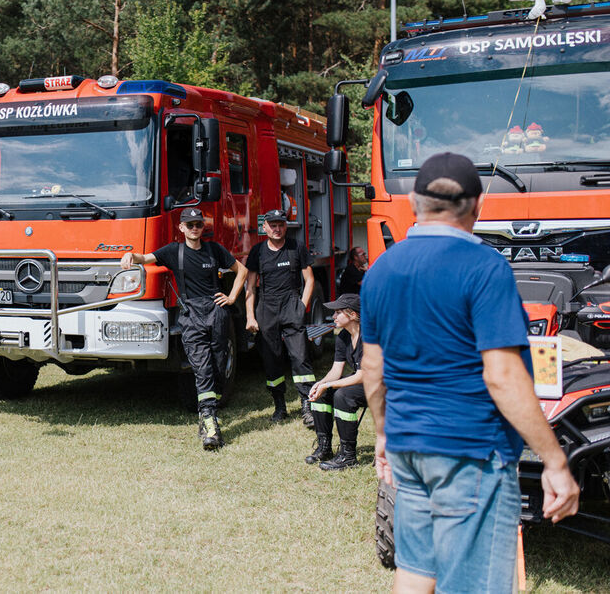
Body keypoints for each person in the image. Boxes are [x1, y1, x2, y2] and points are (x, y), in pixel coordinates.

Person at [360, 152, 579, 593]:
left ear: (414, 202)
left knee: (416, 569)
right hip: (471, 452)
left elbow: (372, 367)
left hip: (408, 448)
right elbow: (501, 375)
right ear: (478, 206)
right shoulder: (487, 268)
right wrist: (555, 460)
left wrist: (384, 434)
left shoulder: (380, 269)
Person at [120, 207, 247, 450]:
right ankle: (210, 421)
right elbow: (145, 258)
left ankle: (209, 413)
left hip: (217, 312)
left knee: (219, 366)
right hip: (191, 316)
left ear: (203, 227)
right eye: (190, 225)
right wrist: (130, 256)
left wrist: (231, 298)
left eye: (198, 224)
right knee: (202, 367)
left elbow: (241, 271)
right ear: (181, 228)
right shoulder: (173, 251)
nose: (194, 228)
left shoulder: (214, 250)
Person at [244, 209, 315, 425]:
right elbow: (250, 287)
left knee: (300, 357)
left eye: (280, 225)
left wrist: (301, 306)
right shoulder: (257, 252)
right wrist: (250, 316)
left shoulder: (296, 247)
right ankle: (279, 405)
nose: (277, 229)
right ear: (264, 227)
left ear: (286, 226)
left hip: (291, 303)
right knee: (271, 358)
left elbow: (309, 280)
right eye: (272, 225)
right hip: (267, 307)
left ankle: (307, 405)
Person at [306, 293, 366, 470]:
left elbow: (363, 375)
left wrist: (329, 385)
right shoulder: (343, 336)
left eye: (338, 312)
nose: (333, 317)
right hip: (363, 381)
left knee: (342, 396)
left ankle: (348, 456)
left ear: (352, 315)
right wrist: (321, 384)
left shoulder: (370, 337)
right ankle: (325, 448)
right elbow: (336, 370)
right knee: (322, 393)